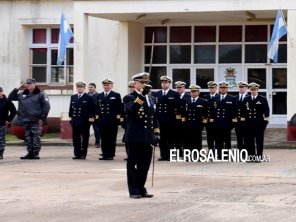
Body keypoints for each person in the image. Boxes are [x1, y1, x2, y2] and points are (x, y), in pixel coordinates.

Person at [123, 72, 160, 199]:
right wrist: (142, 96)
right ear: (135, 84)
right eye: (142, 82)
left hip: (147, 137)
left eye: (146, 82)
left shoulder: (152, 98)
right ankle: (133, 190)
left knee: (144, 166)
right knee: (132, 165)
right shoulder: (129, 97)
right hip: (134, 137)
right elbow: (132, 109)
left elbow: (154, 117)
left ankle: (141, 188)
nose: (144, 84)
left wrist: (156, 133)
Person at [8, 78, 50, 159]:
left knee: (36, 137)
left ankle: (36, 153)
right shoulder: (22, 94)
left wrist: (42, 118)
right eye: (27, 84)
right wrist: (17, 89)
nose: (28, 85)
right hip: (25, 119)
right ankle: (30, 152)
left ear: (34, 84)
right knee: (28, 137)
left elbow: (46, 107)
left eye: (30, 83)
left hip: (36, 120)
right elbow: (10, 97)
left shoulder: (41, 94)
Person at [153, 76, 180, 161]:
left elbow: (178, 107)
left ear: (169, 84)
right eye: (162, 83)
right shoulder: (157, 94)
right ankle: (163, 155)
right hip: (160, 120)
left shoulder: (174, 94)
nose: (164, 84)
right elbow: (155, 107)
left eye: (165, 82)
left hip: (170, 120)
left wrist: (176, 120)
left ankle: (170, 155)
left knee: (170, 138)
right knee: (162, 138)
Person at [95, 79, 123, 160]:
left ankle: (110, 154)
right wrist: (97, 119)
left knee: (111, 138)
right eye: (105, 85)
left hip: (112, 121)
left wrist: (118, 120)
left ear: (111, 86)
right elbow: (97, 108)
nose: (106, 86)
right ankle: (104, 153)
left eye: (108, 85)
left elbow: (119, 108)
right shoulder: (99, 96)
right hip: (102, 120)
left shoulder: (116, 95)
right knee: (103, 138)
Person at [243, 83, 269, 162]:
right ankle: (251, 157)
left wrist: (264, 124)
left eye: (255, 90)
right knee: (249, 142)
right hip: (249, 124)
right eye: (252, 90)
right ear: (249, 90)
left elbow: (267, 112)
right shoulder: (246, 99)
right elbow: (244, 112)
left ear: (257, 90)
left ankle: (259, 157)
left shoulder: (262, 99)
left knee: (259, 141)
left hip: (259, 124)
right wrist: (245, 123)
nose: (253, 91)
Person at [69, 81, 95, 159]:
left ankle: (83, 154)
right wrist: (71, 119)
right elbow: (71, 109)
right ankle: (77, 154)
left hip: (85, 122)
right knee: (75, 138)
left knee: (85, 138)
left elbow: (92, 110)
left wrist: (90, 122)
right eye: (78, 87)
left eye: (81, 87)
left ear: (84, 88)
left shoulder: (88, 98)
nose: (79, 89)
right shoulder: (73, 97)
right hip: (75, 121)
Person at [211, 81, 237, 159]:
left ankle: (227, 155)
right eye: (221, 88)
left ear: (227, 89)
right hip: (217, 123)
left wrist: (232, 124)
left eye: (224, 88)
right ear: (219, 89)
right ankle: (219, 154)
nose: (223, 89)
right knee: (218, 140)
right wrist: (213, 123)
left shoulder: (232, 98)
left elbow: (234, 112)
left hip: (227, 124)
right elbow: (212, 111)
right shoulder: (215, 98)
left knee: (227, 140)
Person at [182, 85, 207, 153]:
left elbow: (205, 114)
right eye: (192, 92)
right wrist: (184, 123)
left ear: (198, 92)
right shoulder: (185, 101)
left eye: (195, 91)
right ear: (190, 93)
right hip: (187, 124)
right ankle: (188, 155)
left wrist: (202, 125)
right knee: (187, 140)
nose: (193, 93)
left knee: (197, 141)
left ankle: (197, 155)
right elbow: (183, 113)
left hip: (197, 125)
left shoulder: (203, 101)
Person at [174, 81, 190, 156]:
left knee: (185, 137)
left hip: (185, 120)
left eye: (180, 88)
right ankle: (178, 152)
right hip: (176, 120)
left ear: (184, 88)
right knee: (177, 137)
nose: (178, 89)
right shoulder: (174, 95)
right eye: (177, 88)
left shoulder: (188, 96)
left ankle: (185, 151)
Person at [0, 87, 16, 159]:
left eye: (0, 91)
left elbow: (13, 112)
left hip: (2, 124)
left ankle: (0, 153)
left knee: (1, 139)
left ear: (2, 92)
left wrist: (8, 120)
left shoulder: (7, 101)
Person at [203, 81, 219, 151]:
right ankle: (211, 150)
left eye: (213, 88)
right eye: (210, 88)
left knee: (217, 137)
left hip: (217, 120)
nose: (211, 89)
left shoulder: (219, 96)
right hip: (208, 120)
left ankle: (217, 151)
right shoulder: (205, 97)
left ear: (216, 88)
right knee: (209, 137)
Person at [235, 81, 249, 153]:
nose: (241, 89)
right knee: (239, 137)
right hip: (238, 121)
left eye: (243, 87)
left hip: (247, 122)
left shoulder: (249, 97)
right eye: (240, 87)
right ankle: (240, 152)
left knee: (246, 137)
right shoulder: (235, 97)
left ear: (246, 88)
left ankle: (246, 152)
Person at [87, 83, 101, 148]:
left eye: (91, 87)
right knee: (86, 130)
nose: (90, 88)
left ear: (95, 88)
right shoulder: (85, 95)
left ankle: (97, 142)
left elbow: (99, 107)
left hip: (95, 116)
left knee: (96, 130)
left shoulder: (99, 95)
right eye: (89, 87)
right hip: (88, 116)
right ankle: (85, 142)